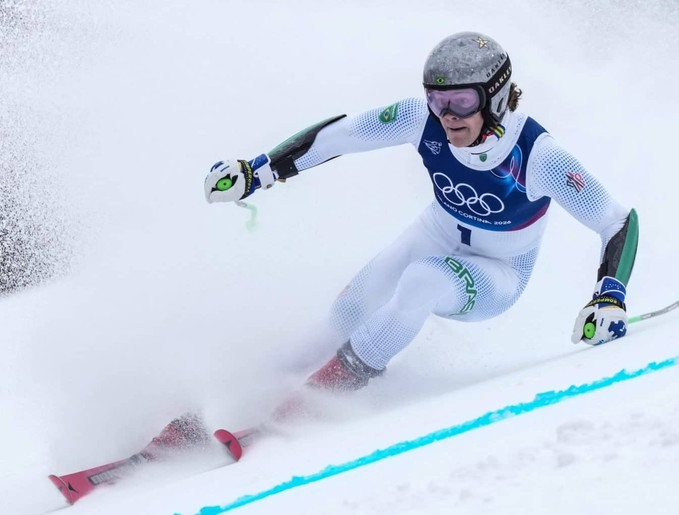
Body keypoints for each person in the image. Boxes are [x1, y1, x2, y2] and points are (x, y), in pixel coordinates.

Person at [150, 31, 639, 453]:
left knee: (421, 281)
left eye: (462, 102)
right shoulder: (421, 119)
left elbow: (617, 221)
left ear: (496, 96)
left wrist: (609, 297)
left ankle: (328, 394)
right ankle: (241, 399)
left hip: (499, 273)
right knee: (351, 304)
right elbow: (339, 135)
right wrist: (259, 171)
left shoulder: (537, 154)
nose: (447, 116)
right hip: (438, 231)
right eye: (437, 100)